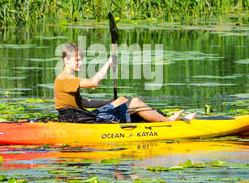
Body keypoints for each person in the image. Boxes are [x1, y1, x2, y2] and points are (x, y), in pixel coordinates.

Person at [54, 43, 196, 123]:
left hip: (81, 116)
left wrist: (109, 102)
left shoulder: (66, 79)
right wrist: (109, 63)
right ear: (67, 60)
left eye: (81, 59)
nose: (81, 62)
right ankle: (168, 122)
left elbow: (84, 102)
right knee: (135, 102)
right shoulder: (65, 78)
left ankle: (157, 117)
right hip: (84, 121)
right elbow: (94, 82)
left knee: (122, 100)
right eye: (77, 60)